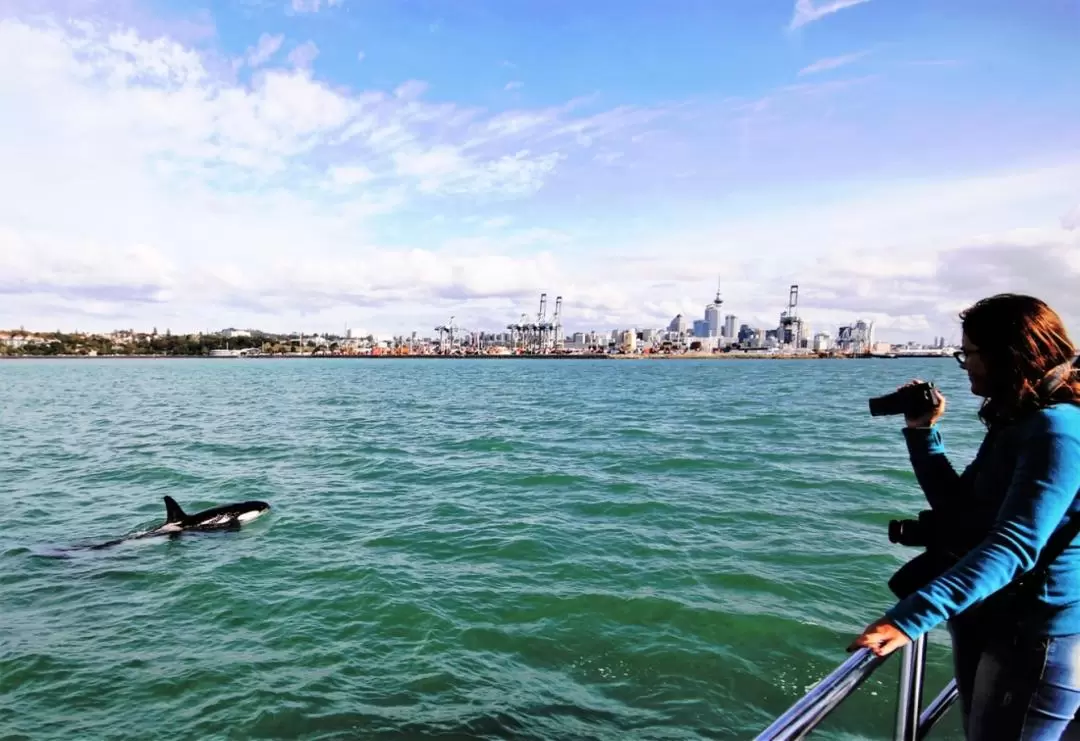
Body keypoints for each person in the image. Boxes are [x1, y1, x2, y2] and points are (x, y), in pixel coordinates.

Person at [849, 293, 1080, 740]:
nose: (965, 365)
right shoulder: (1020, 422)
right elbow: (960, 509)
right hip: (995, 620)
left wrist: (907, 619)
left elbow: (1014, 545)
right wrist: (923, 432)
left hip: (1034, 638)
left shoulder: (1057, 430)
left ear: (1008, 355)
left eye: (969, 354)